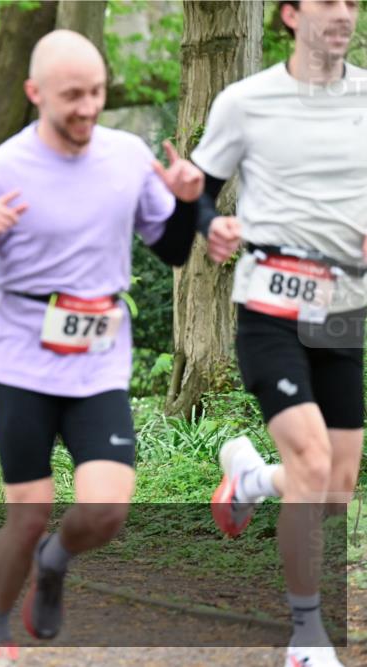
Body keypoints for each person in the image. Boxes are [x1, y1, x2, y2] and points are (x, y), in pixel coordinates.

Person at [0, 30, 204, 667]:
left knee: (106, 510)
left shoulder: (128, 155)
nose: (88, 107)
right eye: (73, 96)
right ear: (35, 94)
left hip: (99, 357)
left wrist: (189, 206)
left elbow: (171, 248)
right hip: (21, 356)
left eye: (98, 93)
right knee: (28, 514)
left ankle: (55, 564)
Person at [197, 2, 365, 666]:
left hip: (342, 308)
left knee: (335, 488)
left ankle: (251, 480)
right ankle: (305, 634)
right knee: (314, 462)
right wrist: (209, 225)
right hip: (269, 306)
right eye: (328, 0)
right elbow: (200, 194)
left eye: (353, 1)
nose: (344, 13)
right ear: (290, 14)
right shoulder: (245, 102)